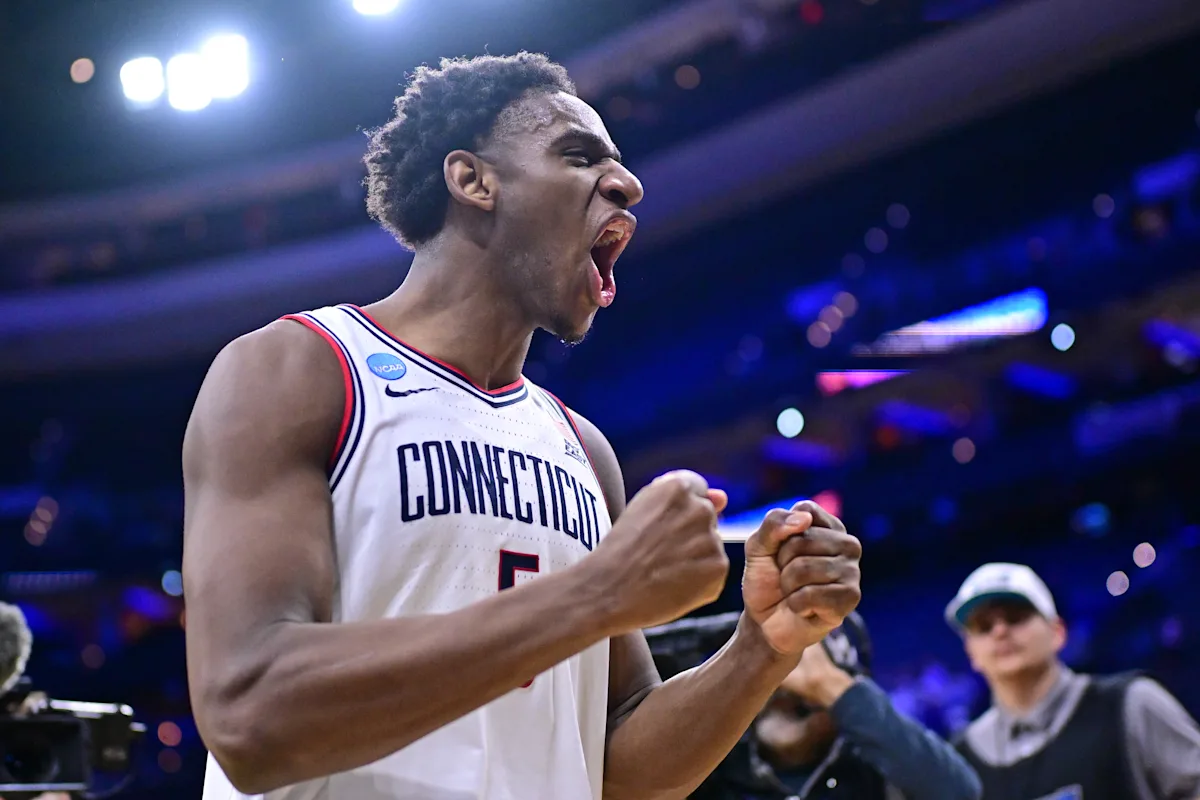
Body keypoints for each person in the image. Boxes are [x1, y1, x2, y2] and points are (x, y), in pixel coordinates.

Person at [182, 52, 863, 800]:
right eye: (579, 155)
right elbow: (249, 718)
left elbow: (622, 773)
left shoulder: (582, 448)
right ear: (473, 181)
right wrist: (597, 592)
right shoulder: (298, 369)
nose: (627, 184)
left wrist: (763, 644)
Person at [946, 561, 1200, 800]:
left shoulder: (1130, 704)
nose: (1000, 632)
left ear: (1057, 632)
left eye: (1016, 617)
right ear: (971, 653)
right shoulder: (959, 760)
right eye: (984, 627)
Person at [691, 612, 982, 800]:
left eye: (799, 676)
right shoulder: (712, 772)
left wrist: (827, 683)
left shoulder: (877, 770)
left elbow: (958, 792)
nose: (785, 685)